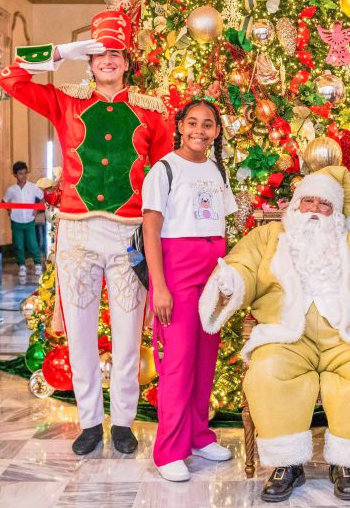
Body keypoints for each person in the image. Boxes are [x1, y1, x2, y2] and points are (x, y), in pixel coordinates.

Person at [0, 7, 173, 456]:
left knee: (129, 333)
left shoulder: (154, 113)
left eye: (115, 53)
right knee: (79, 333)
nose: (107, 61)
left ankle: (125, 422)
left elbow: (165, 176)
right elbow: (10, 77)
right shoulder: (67, 101)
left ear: (127, 61)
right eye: (98, 54)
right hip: (76, 232)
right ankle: (91, 420)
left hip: (129, 235)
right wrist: (60, 52)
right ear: (89, 62)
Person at [198, 167, 350, 502]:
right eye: (307, 201)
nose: (314, 210)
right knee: (266, 372)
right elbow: (242, 265)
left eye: (323, 204)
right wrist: (233, 282)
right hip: (286, 336)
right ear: (295, 206)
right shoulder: (269, 236)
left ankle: (346, 464)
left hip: (348, 337)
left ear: (336, 211)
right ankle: (288, 464)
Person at [141, 100, 237, 482]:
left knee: (204, 359)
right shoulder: (164, 170)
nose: (200, 130)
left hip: (211, 269)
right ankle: (169, 450)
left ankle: (199, 435)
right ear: (180, 126)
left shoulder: (216, 169)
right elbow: (151, 229)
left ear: (216, 130)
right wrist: (159, 286)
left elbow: (219, 223)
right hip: (176, 271)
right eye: (192, 123)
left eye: (208, 124)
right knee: (178, 362)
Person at [3, 161, 44, 277]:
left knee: (33, 243)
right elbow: (4, 202)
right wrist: (9, 210)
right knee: (18, 244)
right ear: (15, 175)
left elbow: (42, 198)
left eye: (25, 173)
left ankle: (37, 265)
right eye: (20, 174)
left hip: (30, 220)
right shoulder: (11, 189)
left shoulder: (32, 187)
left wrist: (36, 210)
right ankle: (21, 265)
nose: (23, 176)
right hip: (16, 221)